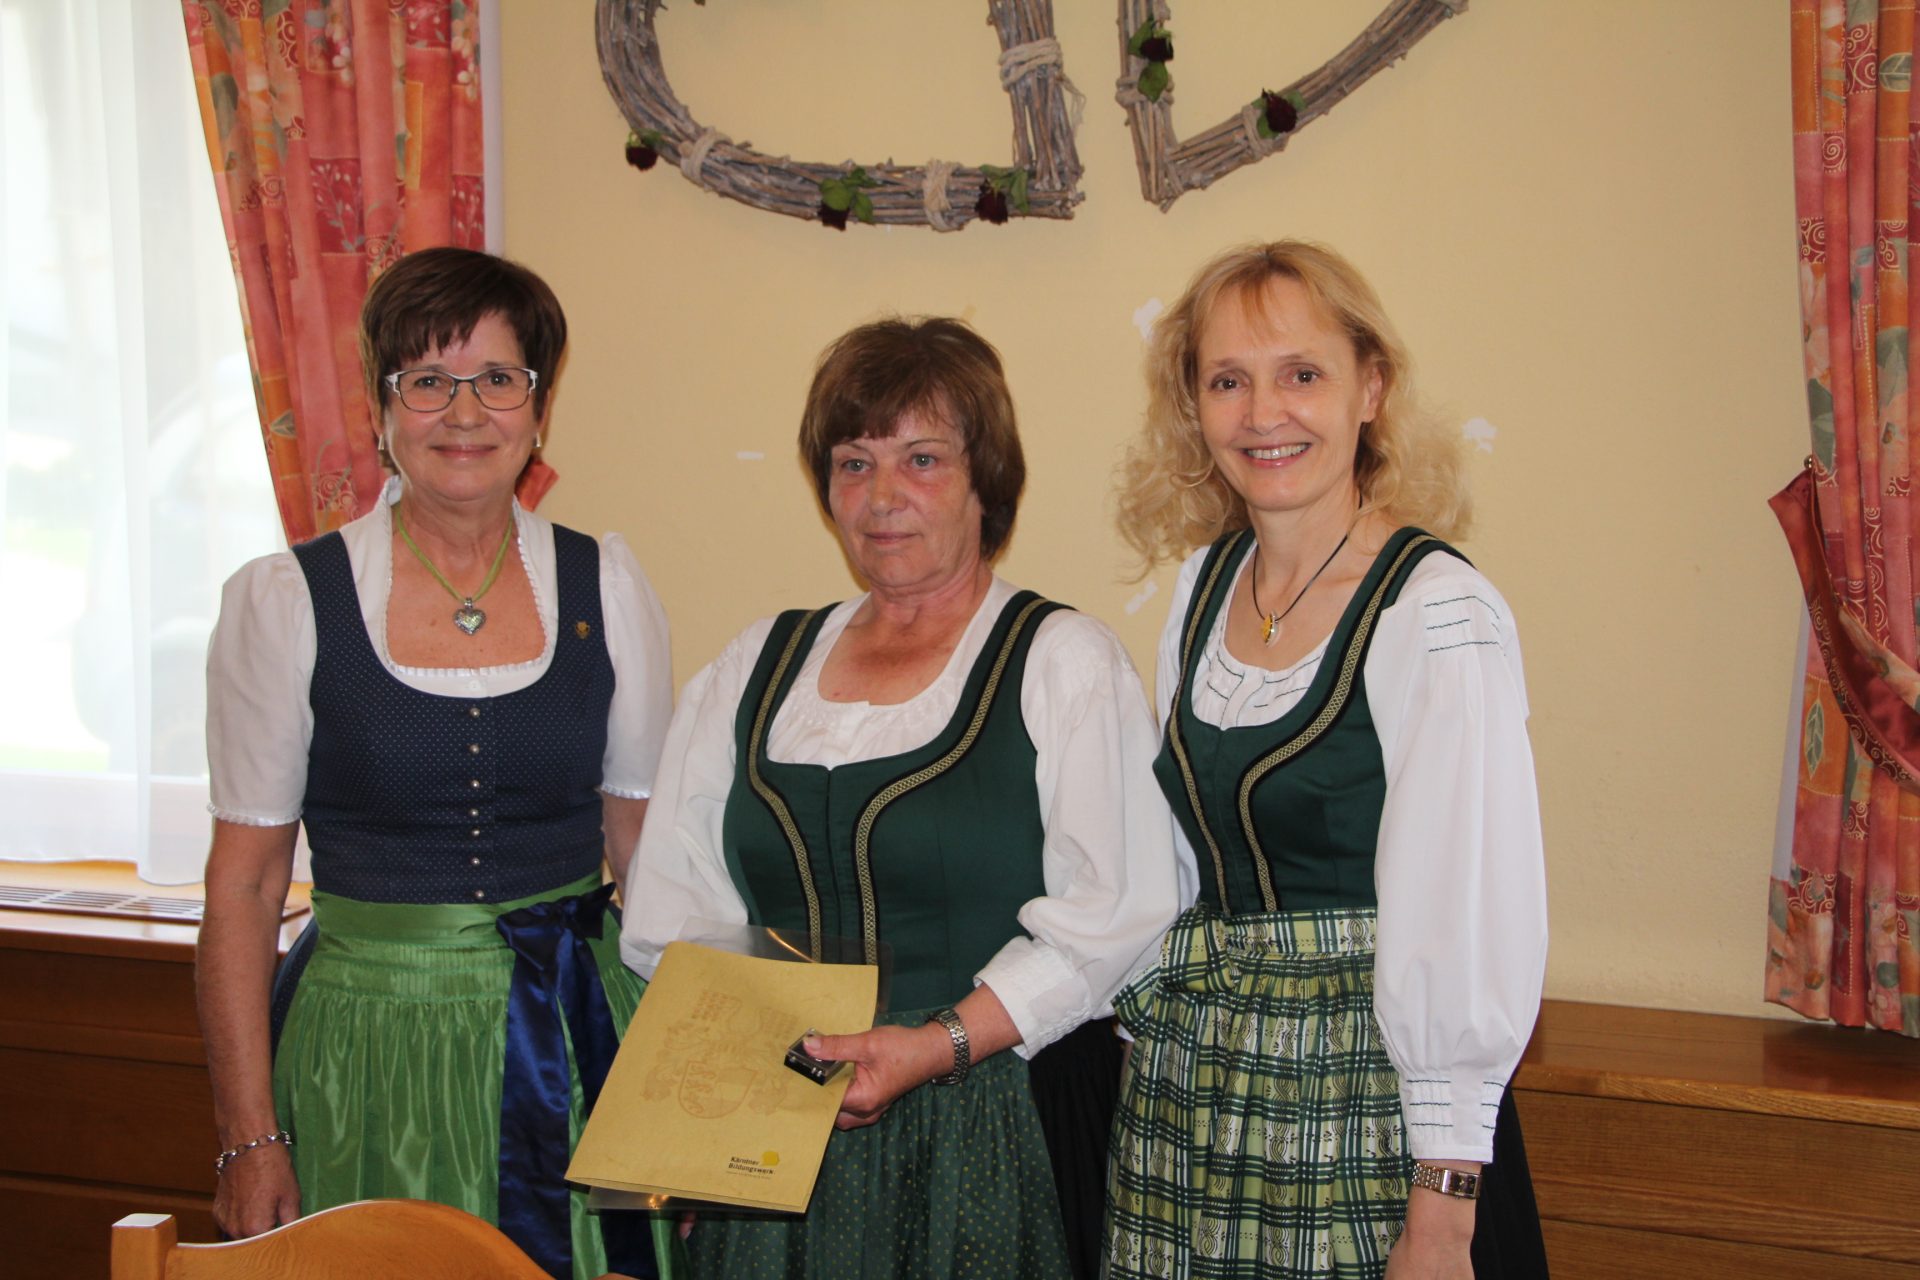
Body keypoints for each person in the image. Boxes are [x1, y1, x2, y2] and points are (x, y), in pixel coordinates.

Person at [620, 316, 1178, 1280]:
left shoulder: (1062, 662)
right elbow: (677, 908)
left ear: (984, 479)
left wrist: (938, 1042)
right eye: (854, 464)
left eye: (922, 460)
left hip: (992, 1120)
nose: (882, 498)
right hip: (781, 1124)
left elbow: (1118, 914)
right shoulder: (755, 664)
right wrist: (717, 1109)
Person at [197, 247, 676, 1280]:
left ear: (539, 411)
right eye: (427, 380)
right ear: (383, 410)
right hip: (363, 1044)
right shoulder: (286, 600)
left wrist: (674, 1106)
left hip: (572, 1036)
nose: (464, 413)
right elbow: (244, 885)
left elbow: (643, 854)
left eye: (498, 378)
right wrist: (249, 1134)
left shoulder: (607, 583)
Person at [1103, 241, 1550, 1280]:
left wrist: (1441, 1217)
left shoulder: (1435, 611)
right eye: (1228, 380)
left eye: (1302, 373)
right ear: (1194, 406)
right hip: (1202, 1091)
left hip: (1369, 1101)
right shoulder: (1204, 588)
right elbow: (1183, 864)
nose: (1265, 413)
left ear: (1371, 389)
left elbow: (1468, 911)